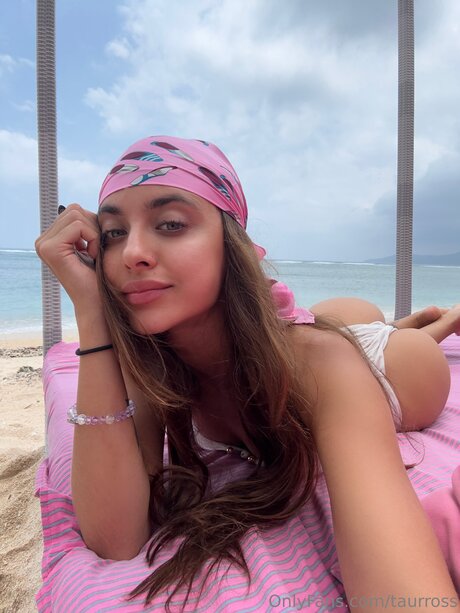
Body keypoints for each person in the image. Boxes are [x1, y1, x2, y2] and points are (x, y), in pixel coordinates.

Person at [35, 136, 459, 611]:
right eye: (114, 233)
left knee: (379, 339)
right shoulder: (152, 360)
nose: (133, 252)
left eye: (170, 224)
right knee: (336, 320)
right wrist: (91, 311)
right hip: (297, 338)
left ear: (230, 243)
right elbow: (115, 540)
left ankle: (438, 324)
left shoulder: (325, 367)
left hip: (397, 368)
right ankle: (392, 322)